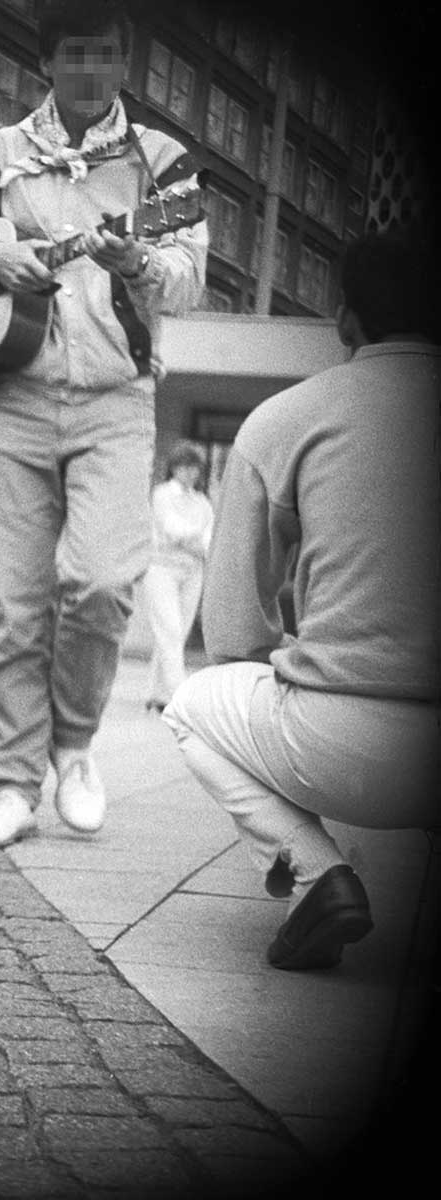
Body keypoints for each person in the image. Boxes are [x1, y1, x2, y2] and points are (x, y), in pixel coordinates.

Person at [0, 0, 206, 847]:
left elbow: (189, 277)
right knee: (14, 604)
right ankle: (10, 786)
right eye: (76, 52)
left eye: (106, 53)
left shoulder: (162, 162)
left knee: (104, 583)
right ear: (47, 61)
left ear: (122, 61)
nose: (91, 68)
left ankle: (72, 746)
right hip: (16, 396)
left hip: (118, 398)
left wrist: (137, 260)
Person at [162, 230, 440, 971]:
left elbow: (231, 632)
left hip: (339, 739)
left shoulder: (285, 419)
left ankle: (318, 878)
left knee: (191, 705)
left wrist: (288, 659)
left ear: (345, 318)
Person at [142, 440, 213, 712]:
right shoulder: (162, 495)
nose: (189, 472)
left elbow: (209, 541)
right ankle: (179, 696)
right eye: (184, 466)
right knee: (169, 629)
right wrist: (193, 537)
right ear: (173, 468)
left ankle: (158, 694)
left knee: (177, 634)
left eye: (194, 467)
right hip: (162, 569)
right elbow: (172, 530)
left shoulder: (202, 502)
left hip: (193, 572)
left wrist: (189, 539)